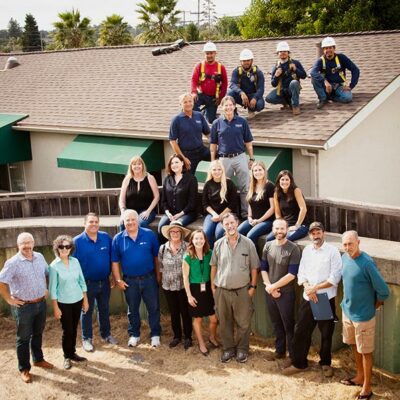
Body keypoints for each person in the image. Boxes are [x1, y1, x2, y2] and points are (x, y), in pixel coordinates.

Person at [282, 222, 342, 377]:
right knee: (301, 331)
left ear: (324, 232)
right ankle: (299, 363)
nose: (316, 236)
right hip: (308, 297)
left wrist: (315, 289)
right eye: (313, 233)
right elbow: (301, 273)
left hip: (323, 298)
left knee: (325, 334)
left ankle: (325, 363)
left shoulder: (332, 251)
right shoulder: (307, 250)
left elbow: (334, 278)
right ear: (309, 235)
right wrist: (308, 288)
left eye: (318, 232)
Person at [340, 231, 389, 400]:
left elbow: (383, 291)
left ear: (358, 242)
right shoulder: (344, 258)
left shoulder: (367, 263)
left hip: (363, 317)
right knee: (354, 345)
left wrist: (374, 305)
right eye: (345, 244)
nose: (348, 248)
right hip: (347, 312)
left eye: (350, 244)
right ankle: (360, 376)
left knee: (366, 352)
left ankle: (367, 388)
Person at [0, 232, 53, 383]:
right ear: (18, 245)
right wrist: (9, 299)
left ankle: (38, 359)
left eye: (29, 242)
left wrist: (47, 288)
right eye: (24, 243)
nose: (27, 246)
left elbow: (47, 273)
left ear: (34, 243)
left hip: (40, 303)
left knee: (38, 333)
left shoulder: (40, 257)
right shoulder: (13, 262)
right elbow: (1, 281)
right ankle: (24, 369)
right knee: (23, 338)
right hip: (23, 307)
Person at [211, 213, 259, 363]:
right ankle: (228, 349)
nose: (230, 226)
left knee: (243, 322)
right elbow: (214, 265)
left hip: (242, 290)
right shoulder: (218, 244)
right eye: (226, 224)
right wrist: (213, 286)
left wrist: (253, 286)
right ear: (223, 226)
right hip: (222, 290)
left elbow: (254, 267)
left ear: (237, 223)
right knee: (224, 321)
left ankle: (242, 349)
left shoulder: (248, 243)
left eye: (232, 223)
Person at [112, 209, 161, 348]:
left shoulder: (149, 235)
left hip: (149, 278)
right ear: (123, 222)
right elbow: (115, 261)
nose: (130, 222)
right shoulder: (118, 238)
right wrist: (118, 280)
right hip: (130, 281)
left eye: (133, 219)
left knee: (153, 308)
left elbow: (156, 257)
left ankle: (155, 334)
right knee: (133, 309)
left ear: (138, 220)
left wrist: (158, 275)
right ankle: (134, 334)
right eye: (127, 220)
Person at [73, 212, 117, 353]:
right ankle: (87, 339)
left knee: (104, 309)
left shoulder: (105, 238)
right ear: (84, 224)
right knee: (86, 310)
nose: (93, 224)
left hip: (104, 282)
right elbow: (72, 265)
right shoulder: (76, 242)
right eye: (90, 222)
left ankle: (106, 334)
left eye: (96, 222)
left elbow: (111, 258)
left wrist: (112, 276)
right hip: (86, 283)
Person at [261, 219, 301, 365]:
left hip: (286, 294)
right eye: (277, 228)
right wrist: (268, 286)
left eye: (282, 229)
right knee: (276, 323)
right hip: (270, 292)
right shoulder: (267, 246)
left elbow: (292, 274)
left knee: (288, 325)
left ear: (287, 230)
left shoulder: (293, 248)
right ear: (273, 229)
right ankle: (279, 351)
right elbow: (263, 268)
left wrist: (274, 287)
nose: (279, 231)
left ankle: (292, 355)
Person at [210, 96, 255, 219]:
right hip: (223, 158)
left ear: (234, 106)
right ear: (222, 107)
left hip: (240, 156)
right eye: (226, 105)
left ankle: (246, 214)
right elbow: (213, 145)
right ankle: (227, 214)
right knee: (224, 187)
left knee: (245, 187)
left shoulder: (242, 121)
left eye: (231, 105)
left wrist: (251, 158)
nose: (228, 107)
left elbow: (248, 142)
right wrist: (213, 162)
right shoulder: (216, 123)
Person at [49, 235, 89, 370]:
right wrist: (55, 308)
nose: (64, 249)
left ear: (71, 248)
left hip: (77, 300)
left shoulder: (75, 261)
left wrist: (85, 300)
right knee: (68, 330)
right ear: (57, 248)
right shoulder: (54, 266)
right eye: (61, 247)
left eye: (67, 246)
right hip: (63, 303)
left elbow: (81, 281)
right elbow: (52, 289)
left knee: (74, 328)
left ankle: (72, 353)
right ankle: (67, 356)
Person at [183, 229, 219, 356]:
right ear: (192, 240)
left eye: (201, 238)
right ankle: (201, 343)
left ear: (205, 240)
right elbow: (185, 278)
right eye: (196, 238)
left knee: (214, 319)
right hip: (195, 289)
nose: (199, 241)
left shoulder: (209, 253)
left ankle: (212, 337)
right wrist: (189, 296)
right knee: (197, 319)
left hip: (208, 288)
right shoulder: (187, 256)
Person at [159, 221, 193, 350]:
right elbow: (161, 266)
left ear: (182, 233)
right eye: (172, 231)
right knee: (174, 312)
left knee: (185, 312)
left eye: (177, 231)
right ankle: (177, 336)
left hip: (184, 286)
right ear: (168, 234)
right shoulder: (163, 248)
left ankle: (188, 337)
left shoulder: (188, 247)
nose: (175, 234)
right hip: (168, 286)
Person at [311, 36, 360, 109]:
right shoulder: (320, 61)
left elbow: (355, 70)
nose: (328, 50)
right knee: (314, 79)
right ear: (323, 50)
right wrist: (325, 82)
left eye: (330, 48)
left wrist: (351, 86)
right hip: (326, 87)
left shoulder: (341, 58)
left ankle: (330, 98)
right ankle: (323, 99)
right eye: (326, 48)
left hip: (339, 86)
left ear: (334, 48)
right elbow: (313, 72)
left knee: (347, 98)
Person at [169, 93, 211, 175]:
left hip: (201, 150)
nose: (188, 104)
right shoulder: (176, 120)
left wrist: (215, 145)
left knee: (220, 154)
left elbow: (208, 134)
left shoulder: (199, 115)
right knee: (189, 180)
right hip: (187, 155)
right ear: (180, 104)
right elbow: (172, 141)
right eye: (185, 102)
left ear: (193, 102)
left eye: (190, 101)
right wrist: (183, 158)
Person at [158, 154, 198, 236]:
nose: (174, 165)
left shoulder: (191, 179)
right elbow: (163, 201)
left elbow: (192, 202)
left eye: (176, 162)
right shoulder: (167, 179)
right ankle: (164, 248)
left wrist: (179, 214)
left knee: (175, 226)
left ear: (182, 163)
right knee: (161, 227)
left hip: (187, 213)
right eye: (172, 163)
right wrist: (168, 213)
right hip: (170, 213)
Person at [202, 160, 238, 247]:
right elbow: (205, 203)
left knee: (219, 232)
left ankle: (220, 255)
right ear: (210, 171)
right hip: (212, 214)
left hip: (227, 214)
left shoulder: (229, 183)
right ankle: (210, 254)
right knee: (206, 232)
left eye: (219, 169)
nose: (217, 172)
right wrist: (214, 214)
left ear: (222, 170)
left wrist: (221, 215)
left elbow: (233, 203)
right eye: (214, 169)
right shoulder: (208, 184)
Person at [238, 161, 275, 245]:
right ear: (252, 172)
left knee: (250, 235)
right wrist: (249, 217)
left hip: (267, 221)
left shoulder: (269, 186)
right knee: (237, 232)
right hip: (253, 219)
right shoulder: (252, 185)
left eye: (260, 170)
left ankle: (254, 257)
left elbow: (272, 208)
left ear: (264, 171)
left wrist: (259, 221)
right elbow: (250, 204)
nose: (258, 172)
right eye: (255, 170)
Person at [265, 41, 306, 115]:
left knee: (294, 83)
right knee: (269, 98)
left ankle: (295, 106)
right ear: (278, 53)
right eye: (280, 51)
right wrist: (276, 76)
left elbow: (304, 75)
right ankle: (287, 102)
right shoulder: (276, 67)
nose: (283, 53)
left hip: (292, 89)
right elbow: (273, 84)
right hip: (282, 90)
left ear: (288, 52)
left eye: (285, 51)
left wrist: (296, 69)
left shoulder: (295, 63)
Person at [265, 170, 308, 242]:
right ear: (279, 181)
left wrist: (297, 225)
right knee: (269, 239)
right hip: (285, 225)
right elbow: (277, 213)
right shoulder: (276, 193)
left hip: (300, 225)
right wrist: (280, 226)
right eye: (282, 179)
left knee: (285, 239)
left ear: (291, 181)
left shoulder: (296, 190)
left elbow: (303, 209)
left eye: (287, 179)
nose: (284, 182)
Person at [191, 41, 228, 123]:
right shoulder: (200, 66)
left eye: (211, 53)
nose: (209, 55)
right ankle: (198, 118)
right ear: (204, 54)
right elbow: (194, 79)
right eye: (207, 53)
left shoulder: (220, 67)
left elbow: (225, 83)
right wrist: (194, 92)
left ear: (215, 53)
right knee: (191, 103)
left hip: (213, 97)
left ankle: (207, 113)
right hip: (201, 95)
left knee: (211, 120)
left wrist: (221, 97)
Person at [119, 155, 160, 229]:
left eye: (139, 164)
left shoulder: (150, 178)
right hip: (130, 211)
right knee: (122, 223)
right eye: (134, 164)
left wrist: (148, 211)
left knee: (141, 223)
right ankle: (125, 240)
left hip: (147, 210)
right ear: (131, 166)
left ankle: (142, 241)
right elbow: (122, 199)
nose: (137, 166)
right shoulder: (127, 179)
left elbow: (157, 196)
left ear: (142, 165)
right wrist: (123, 212)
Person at [227, 48, 265, 118]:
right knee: (229, 94)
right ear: (240, 61)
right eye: (244, 61)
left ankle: (251, 108)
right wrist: (241, 93)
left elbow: (261, 89)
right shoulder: (236, 71)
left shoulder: (258, 72)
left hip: (253, 95)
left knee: (260, 105)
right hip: (241, 96)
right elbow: (232, 84)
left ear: (252, 61)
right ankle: (233, 112)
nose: (246, 62)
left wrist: (255, 98)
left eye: (248, 60)